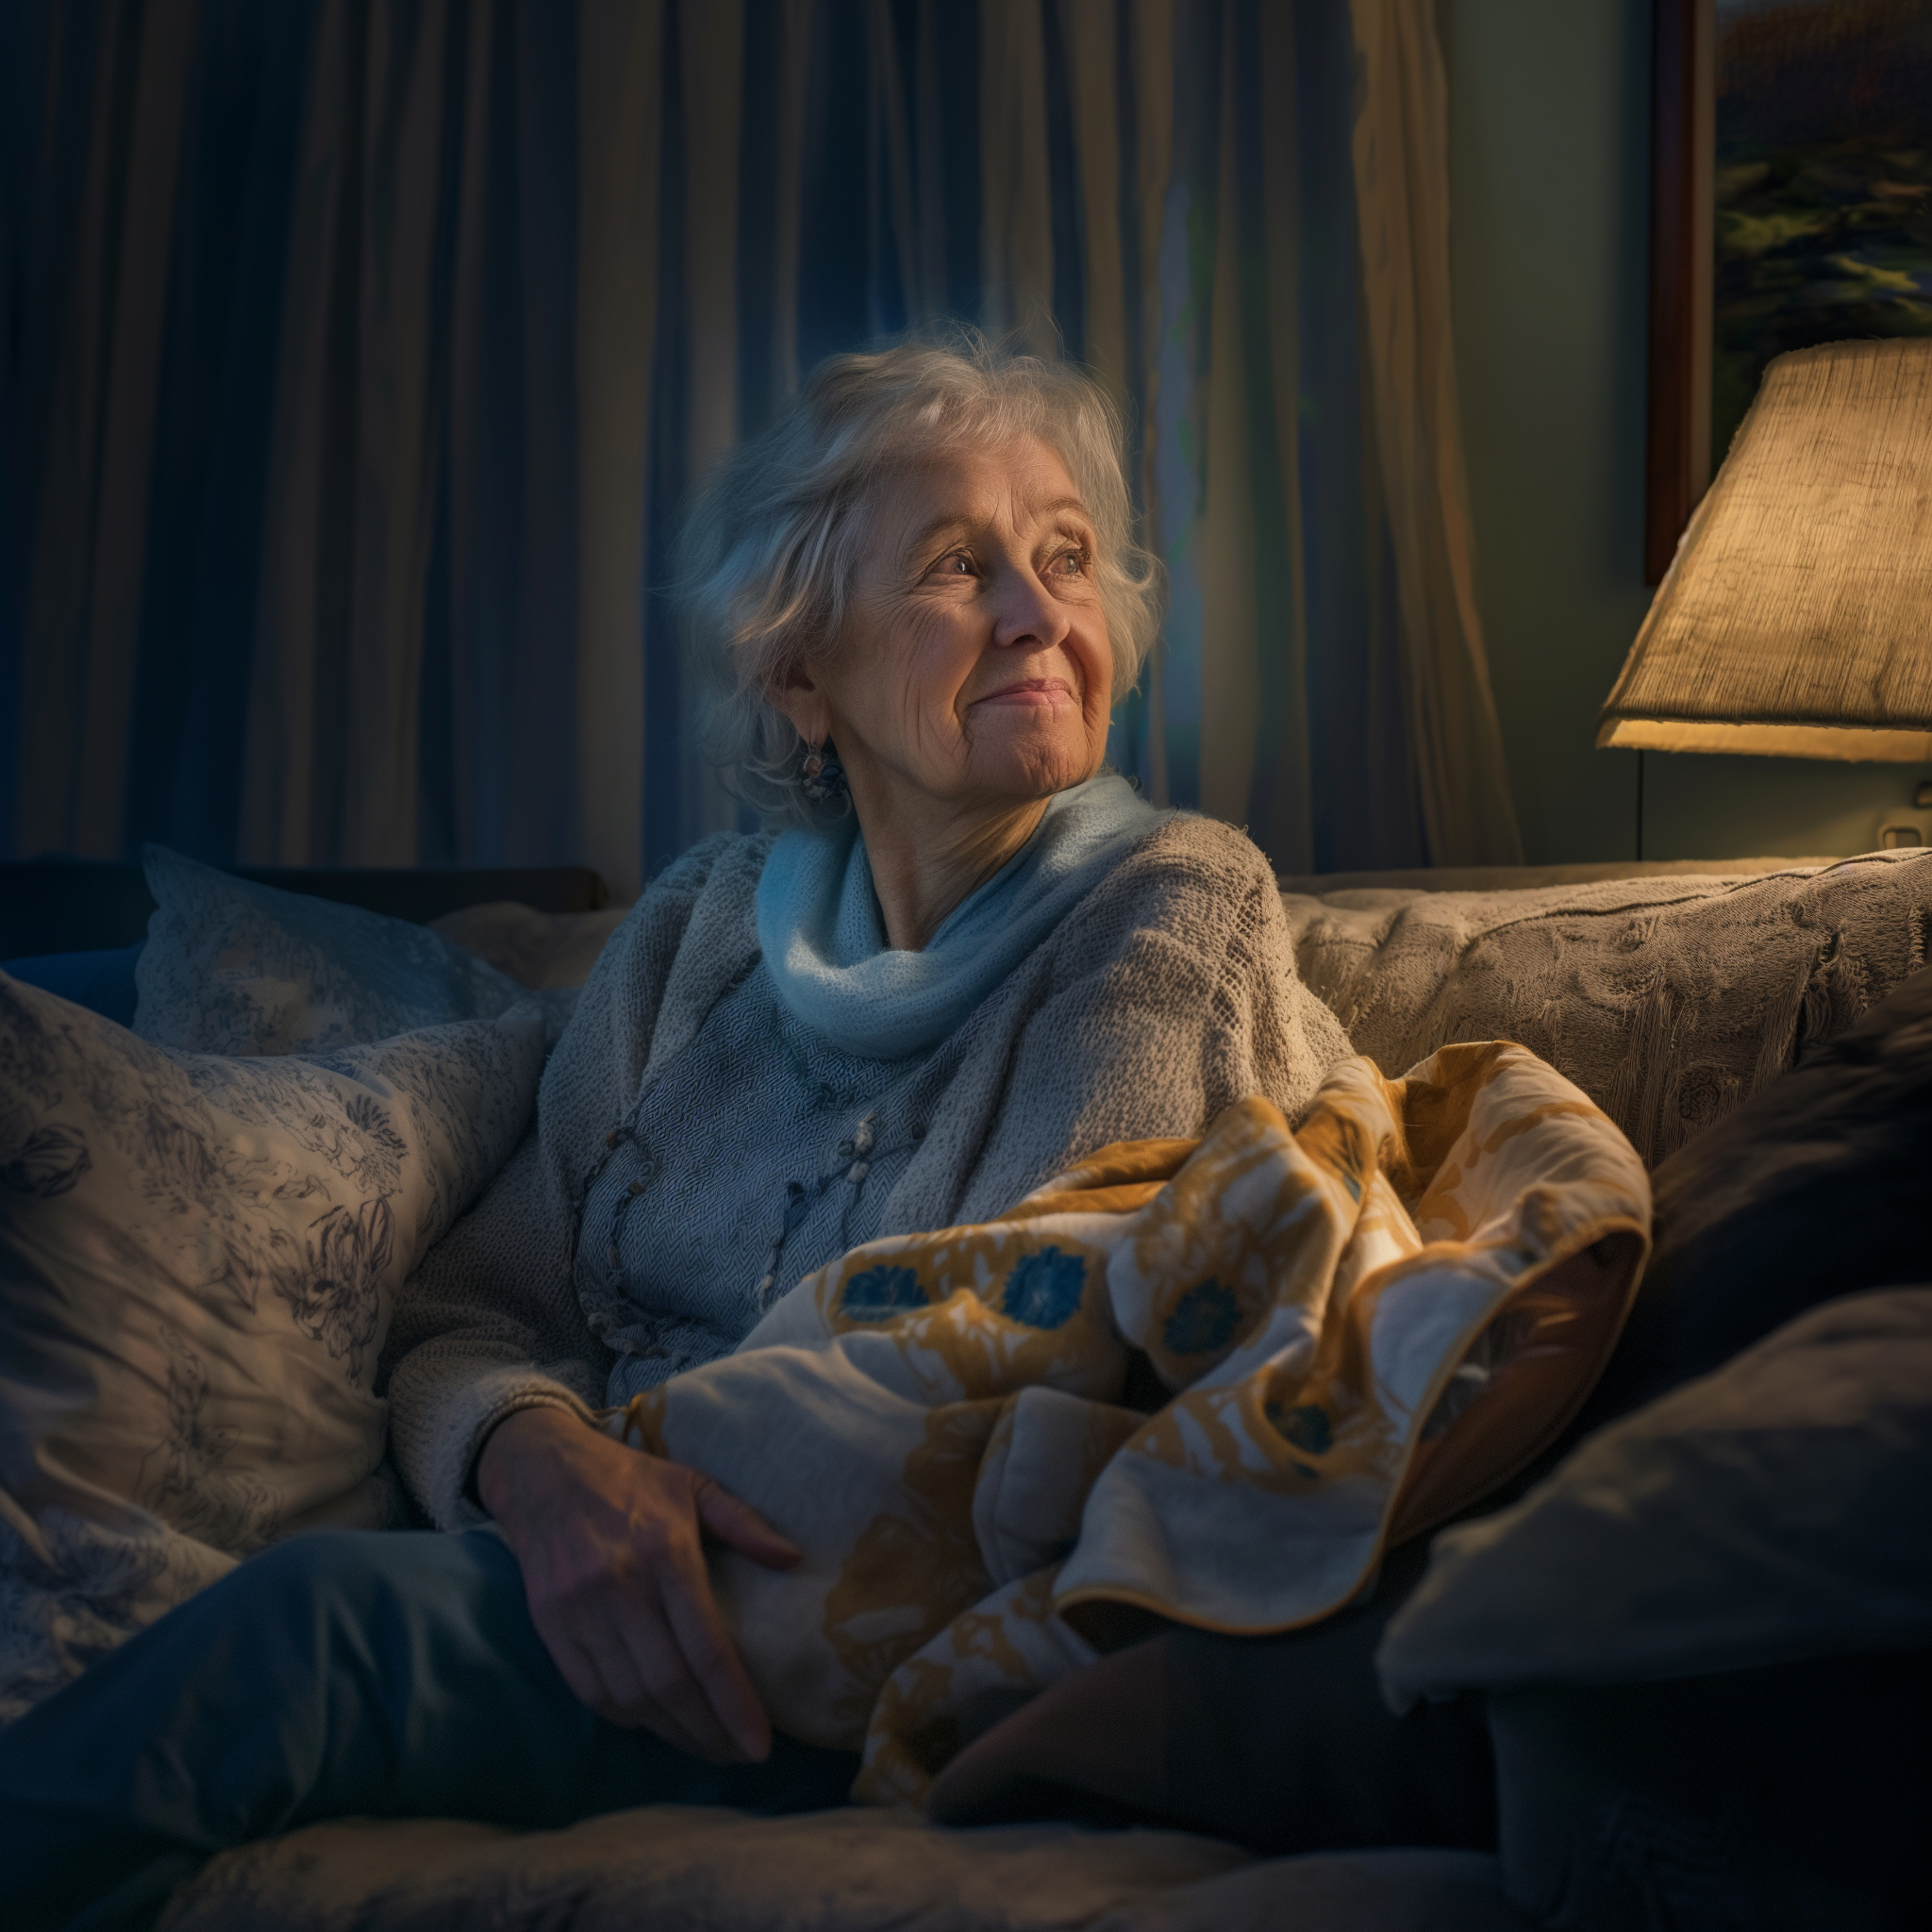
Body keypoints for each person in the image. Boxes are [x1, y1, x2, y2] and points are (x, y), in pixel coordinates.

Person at [0, 336, 1351, 1928]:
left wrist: (636, 1506)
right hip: (605, 1582)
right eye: (954, 565)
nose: (1037, 612)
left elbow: (1002, 1366)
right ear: (800, 671)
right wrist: (540, 1464)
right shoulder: (704, 931)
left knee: (296, 1640)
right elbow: (472, 1312)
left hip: (848, 1629)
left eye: (1062, 558)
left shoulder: (1168, 904)